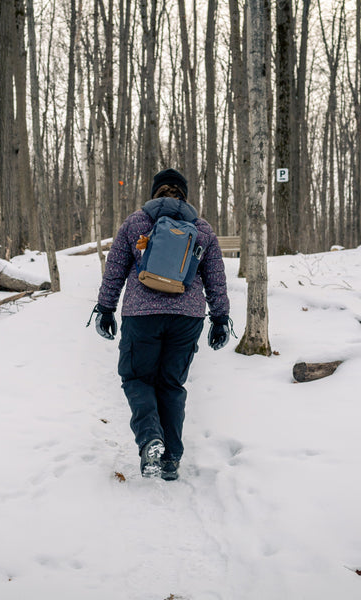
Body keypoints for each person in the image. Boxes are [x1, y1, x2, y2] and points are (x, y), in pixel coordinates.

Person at [91, 168, 232, 481]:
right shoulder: (202, 227)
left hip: (142, 315)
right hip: (187, 317)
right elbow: (216, 278)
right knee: (171, 384)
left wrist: (105, 308)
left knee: (137, 378)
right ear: (184, 194)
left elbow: (115, 269)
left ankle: (150, 438)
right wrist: (220, 317)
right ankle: (170, 460)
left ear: (155, 192)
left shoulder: (136, 222)